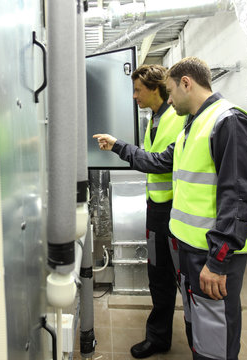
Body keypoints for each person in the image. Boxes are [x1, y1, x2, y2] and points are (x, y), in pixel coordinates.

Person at [93, 57, 247, 360]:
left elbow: (240, 199)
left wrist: (219, 260)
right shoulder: (191, 127)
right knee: (200, 329)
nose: (169, 99)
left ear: (187, 83)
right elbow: (158, 163)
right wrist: (118, 146)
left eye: (170, 91)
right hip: (188, 243)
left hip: (211, 252)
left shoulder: (229, 122)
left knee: (214, 335)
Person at [105, 64, 186, 358]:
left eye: (138, 89)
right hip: (156, 211)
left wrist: (119, 147)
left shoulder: (179, 118)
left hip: (178, 212)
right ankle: (159, 338)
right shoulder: (152, 118)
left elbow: (159, 162)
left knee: (185, 281)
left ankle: (200, 345)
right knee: (158, 277)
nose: (134, 95)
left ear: (155, 89)